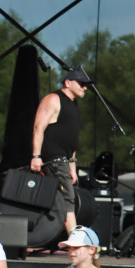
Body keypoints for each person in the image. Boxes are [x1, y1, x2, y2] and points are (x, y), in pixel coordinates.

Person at [30, 67, 94, 236]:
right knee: (67, 200)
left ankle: (59, 237)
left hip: (64, 160)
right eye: (81, 83)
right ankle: (76, 242)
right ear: (68, 82)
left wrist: (72, 167)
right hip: (53, 158)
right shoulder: (53, 99)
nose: (85, 88)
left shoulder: (73, 105)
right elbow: (38, 127)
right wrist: (36, 156)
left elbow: (71, 140)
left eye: (86, 85)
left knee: (63, 200)